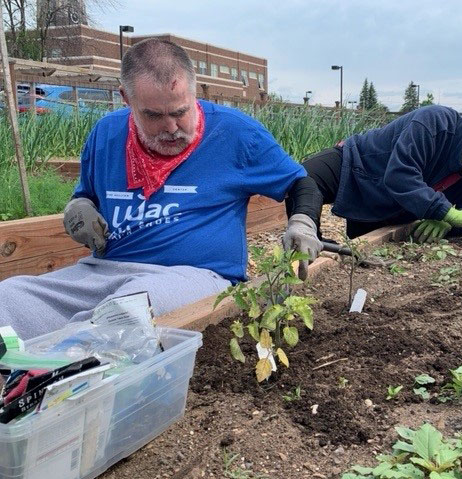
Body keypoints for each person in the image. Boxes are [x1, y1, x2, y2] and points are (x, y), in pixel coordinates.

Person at [0, 39, 320, 340]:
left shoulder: (235, 133)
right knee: (9, 298)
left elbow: (300, 183)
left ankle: (53, 375)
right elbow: (86, 196)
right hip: (100, 273)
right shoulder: (106, 134)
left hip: (193, 277)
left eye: (180, 112)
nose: (170, 127)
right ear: (126, 98)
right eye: (153, 115)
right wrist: (78, 209)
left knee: (125, 311)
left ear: (192, 94)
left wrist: (302, 222)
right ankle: (39, 369)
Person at [283, 105, 462, 271]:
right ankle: (307, 239)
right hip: (358, 164)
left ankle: (328, 255)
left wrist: (447, 223)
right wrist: (445, 211)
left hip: (391, 208)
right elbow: (400, 176)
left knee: (364, 261)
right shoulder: (435, 123)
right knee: (301, 178)